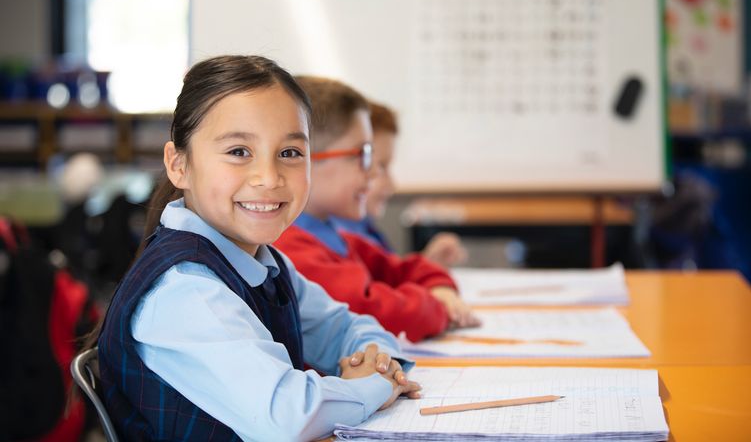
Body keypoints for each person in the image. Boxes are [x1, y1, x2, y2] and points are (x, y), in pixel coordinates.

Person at [93, 56, 420, 441]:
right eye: (238, 152)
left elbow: (346, 327)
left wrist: (376, 359)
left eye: (290, 153)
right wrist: (379, 385)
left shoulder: (264, 262)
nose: (268, 177)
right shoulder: (186, 291)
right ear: (178, 165)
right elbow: (287, 418)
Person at [274, 76, 479, 343]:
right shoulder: (291, 251)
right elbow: (379, 314)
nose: (373, 172)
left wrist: (440, 287)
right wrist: (440, 307)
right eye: (362, 155)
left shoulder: (340, 240)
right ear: (304, 158)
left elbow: (406, 269)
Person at [334, 101, 468, 267]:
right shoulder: (338, 239)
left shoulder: (363, 227)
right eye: (381, 166)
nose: (392, 185)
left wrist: (427, 264)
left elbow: (389, 279)